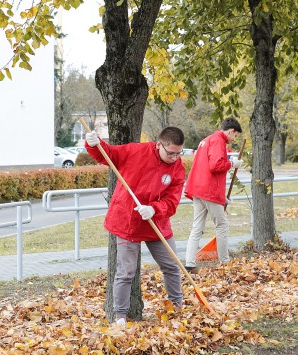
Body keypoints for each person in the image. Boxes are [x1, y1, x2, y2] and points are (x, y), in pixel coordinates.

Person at [85, 127, 186, 327]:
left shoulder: (178, 168)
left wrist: (154, 209)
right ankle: (120, 316)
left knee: (172, 265)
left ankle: (177, 306)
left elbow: (172, 201)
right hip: (127, 220)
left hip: (156, 223)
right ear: (159, 145)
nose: (175, 157)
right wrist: (93, 143)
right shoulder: (136, 151)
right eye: (171, 153)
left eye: (178, 153)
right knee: (126, 271)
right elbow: (108, 155)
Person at [184, 118, 243, 272]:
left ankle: (189, 263)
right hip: (209, 191)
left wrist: (222, 196)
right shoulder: (218, 141)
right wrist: (232, 164)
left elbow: (204, 168)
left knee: (197, 227)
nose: (233, 139)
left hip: (198, 189)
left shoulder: (206, 140)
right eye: (235, 136)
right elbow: (215, 166)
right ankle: (224, 261)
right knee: (222, 225)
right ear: (231, 131)